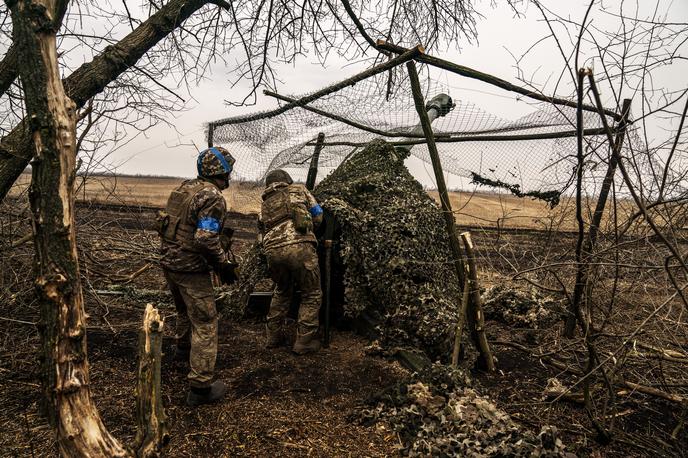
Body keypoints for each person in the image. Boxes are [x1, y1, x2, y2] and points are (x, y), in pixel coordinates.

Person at [158, 146, 238, 406]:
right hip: (190, 268)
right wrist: (223, 264)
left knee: (183, 311)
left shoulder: (184, 189)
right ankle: (200, 386)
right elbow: (204, 239)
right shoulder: (212, 197)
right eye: (228, 171)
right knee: (205, 321)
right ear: (222, 172)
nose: (230, 176)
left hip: (170, 263)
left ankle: (183, 351)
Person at [260, 169, 324, 354]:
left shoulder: (265, 204)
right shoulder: (299, 190)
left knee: (281, 290)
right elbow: (318, 215)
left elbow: (260, 233)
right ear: (286, 180)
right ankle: (304, 341)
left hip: (272, 251)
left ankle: (272, 337)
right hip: (300, 248)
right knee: (311, 294)